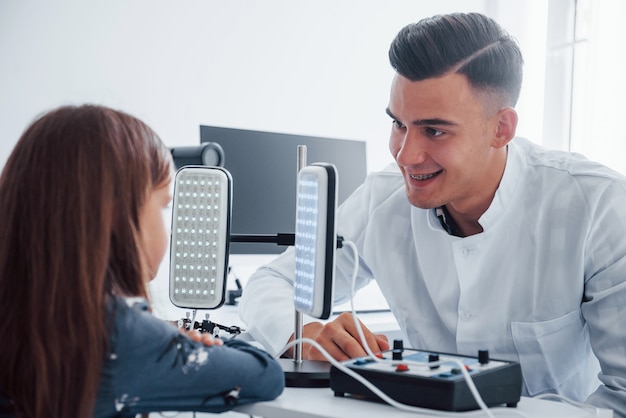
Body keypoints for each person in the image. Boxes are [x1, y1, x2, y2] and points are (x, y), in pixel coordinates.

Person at [239, 12, 626, 417]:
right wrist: (302, 333)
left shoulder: (599, 207)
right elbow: (272, 281)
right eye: (398, 124)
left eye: (434, 131)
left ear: (501, 129)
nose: (405, 156)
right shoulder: (383, 199)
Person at [0, 105, 284, 418]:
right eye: (163, 206)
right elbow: (265, 375)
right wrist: (176, 344)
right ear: (115, 216)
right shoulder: (115, 334)